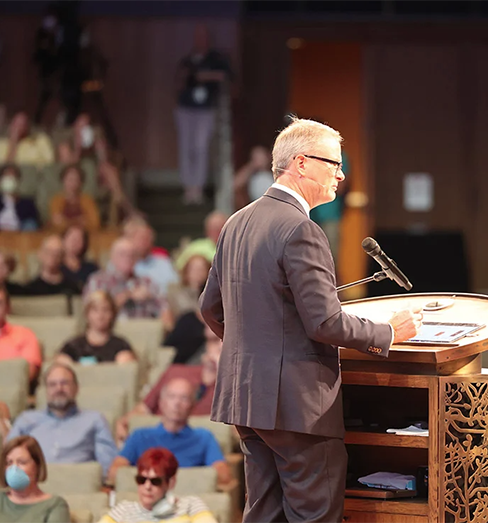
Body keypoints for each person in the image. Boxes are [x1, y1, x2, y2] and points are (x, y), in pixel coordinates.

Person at [199, 117, 422, 522]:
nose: (342, 174)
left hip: (246, 398)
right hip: (297, 407)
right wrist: (389, 331)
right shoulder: (301, 229)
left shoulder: (236, 222)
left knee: (264, 515)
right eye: (334, 164)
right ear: (301, 163)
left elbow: (209, 309)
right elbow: (325, 323)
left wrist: (257, 351)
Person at [107, 379, 229, 486]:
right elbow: (114, 472)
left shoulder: (203, 437)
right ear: (161, 402)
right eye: (171, 397)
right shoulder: (140, 436)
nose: (177, 403)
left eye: (184, 398)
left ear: (192, 405)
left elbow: (223, 475)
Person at [7, 364, 118, 482]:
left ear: (76, 388)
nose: (59, 389)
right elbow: (8, 460)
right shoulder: (26, 419)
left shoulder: (95, 420)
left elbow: (108, 466)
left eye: (65, 383)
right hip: (34, 486)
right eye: (52, 384)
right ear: (46, 391)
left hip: (77, 485)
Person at [117, 326, 221, 442]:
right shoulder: (175, 372)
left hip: (194, 442)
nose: (220, 347)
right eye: (215, 341)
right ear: (206, 345)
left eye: (225, 343)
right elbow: (144, 408)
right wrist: (125, 422)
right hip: (158, 437)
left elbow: (235, 432)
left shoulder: (232, 387)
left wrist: (225, 372)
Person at [174, 25, 231, 205]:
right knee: (186, 148)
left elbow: (224, 76)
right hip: (185, 108)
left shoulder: (216, 59)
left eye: (203, 37)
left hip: (206, 108)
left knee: (200, 147)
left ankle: (197, 188)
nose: (201, 40)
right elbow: (180, 80)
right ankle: (187, 188)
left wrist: (204, 76)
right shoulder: (187, 60)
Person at [0, 436, 71, 523]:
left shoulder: (55, 505)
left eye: (22, 462)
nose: (14, 468)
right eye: (9, 463)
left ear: (37, 466)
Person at [98, 447, 216, 523]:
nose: (147, 487)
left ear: (171, 483)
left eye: (155, 481)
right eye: (142, 480)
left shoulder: (191, 505)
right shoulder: (123, 510)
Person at [84, 238, 172, 325]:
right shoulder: (98, 280)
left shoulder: (146, 282)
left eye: (132, 255)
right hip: (111, 331)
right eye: (122, 254)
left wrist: (150, 298)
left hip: (144, 331)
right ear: (112, 257)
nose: (128, 258)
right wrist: (128, 295)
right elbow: (93, 312)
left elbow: (165, 308)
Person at [55, 291, 135, 365]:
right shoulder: (72, 347)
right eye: (95, 310)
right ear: (87, 314)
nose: (100, 316)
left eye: (105, 310)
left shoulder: (121, 346)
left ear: (112, 315)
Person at [0, 164, 41, 231]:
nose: (9, 180)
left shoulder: (27, 203)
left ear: (17, 181)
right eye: (6, 177)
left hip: (21, 236)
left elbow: (35, 223)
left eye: (12, 177)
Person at [124, 218, 178, 291]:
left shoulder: (163, 263)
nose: (144, 243)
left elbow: (174, 288)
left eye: (147, 238)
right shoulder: (122, 263)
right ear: (130, 239)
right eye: (140, 238)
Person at [48, 164, 101, 232]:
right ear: (63, 181)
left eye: (76, 180)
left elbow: (95, 223)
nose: (72, 183)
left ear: (80, 182)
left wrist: (67, 221)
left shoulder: (87, 200)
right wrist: (79, 221)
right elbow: (57, 223)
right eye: (70, 179)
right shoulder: (56, 200)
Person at [168, 254, 211, 319]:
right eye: (194, 269)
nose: (197, 272)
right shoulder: (176, 290)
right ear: (186, 270)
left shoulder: (210, 293)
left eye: (201, 269)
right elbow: (184, 310)